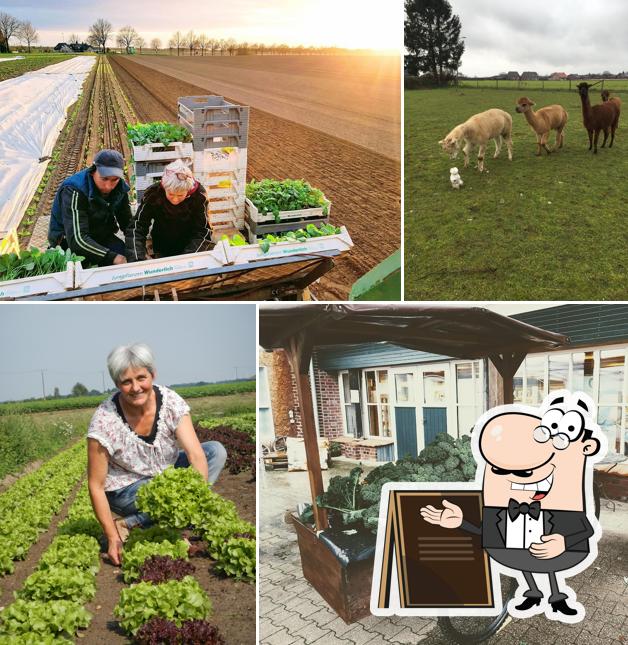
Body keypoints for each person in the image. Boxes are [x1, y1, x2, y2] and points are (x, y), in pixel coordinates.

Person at [421, 391, 604, 621]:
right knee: (522, 559)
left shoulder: (564, 502)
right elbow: (486, 534)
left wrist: (564, 542)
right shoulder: (499, 507)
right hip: (512, 554)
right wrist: (460, 523)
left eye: (526, 472)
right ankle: (533, 592)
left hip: (554, 551)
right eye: (498, 470)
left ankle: (557, 598)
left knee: (545, 559)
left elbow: (586, 529)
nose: (517, 478)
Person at [86, 343, 227, 566]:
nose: (135, 387)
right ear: (116, 384)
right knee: (159, 489)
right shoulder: (105, 421)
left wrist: (194, 503)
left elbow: (195, 454)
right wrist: (112, 538)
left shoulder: (171, 402)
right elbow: (95, 485)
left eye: (141, 377)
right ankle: (132, 525)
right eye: (126, 382)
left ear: (153, 374)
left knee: (214, 452)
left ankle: (135, 523)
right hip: (127, 488)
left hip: (163, 475)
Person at [48, 150, 131, 266]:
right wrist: (113, 258)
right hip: (69, 243)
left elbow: (128, 223)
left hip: (101, 235)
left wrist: (139, 249)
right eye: (104, 179)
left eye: (114, 180)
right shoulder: (74, 190)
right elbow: (77, 240)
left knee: (130, 257)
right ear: (93, 171)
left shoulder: (120, 188)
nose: (108, 186)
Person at [125, 159, 212, 261]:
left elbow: (203, 231)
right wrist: (138, 257)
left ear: (188, 190)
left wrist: (188, 258)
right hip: (162, 244)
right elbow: (138, 226)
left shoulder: (199, 196)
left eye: (180, 195)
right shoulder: (153, 193)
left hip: (190, 244)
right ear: (164, 187)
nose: (175, 200)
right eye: (170, 194)